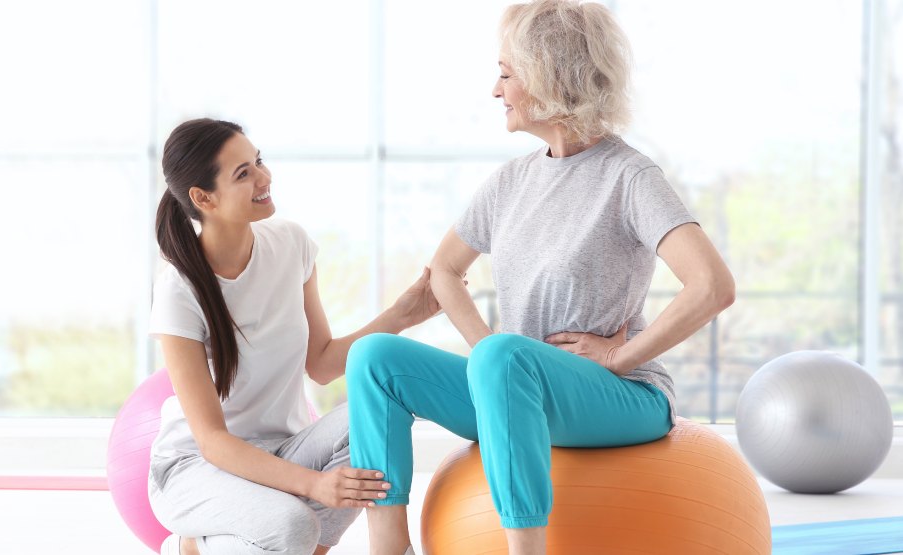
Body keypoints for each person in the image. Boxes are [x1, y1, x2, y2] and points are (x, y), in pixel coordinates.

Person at [346, 1, 736, 554]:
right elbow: (446, 272)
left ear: (550, 76)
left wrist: (619, 358)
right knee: (374, 358)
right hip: (515, 390)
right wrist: (486, 356)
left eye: (506, 73)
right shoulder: (511, 182)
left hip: (622, 396)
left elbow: (712, 285)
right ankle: (389, 547)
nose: (494, 90)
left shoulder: (628, 177)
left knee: (504, 357)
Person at [148, 118, 445, 555]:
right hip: (197, 467)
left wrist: (400, 316)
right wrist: (314, 484)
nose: (264, 178)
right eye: (243, 174)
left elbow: (322, 364)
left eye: (259, 162)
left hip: (284, 448)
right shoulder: (179, 290)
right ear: (202, 197)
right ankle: (192, 544)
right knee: (291, 527)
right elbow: (212, 441)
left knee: (381, 407)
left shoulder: (290, 243)